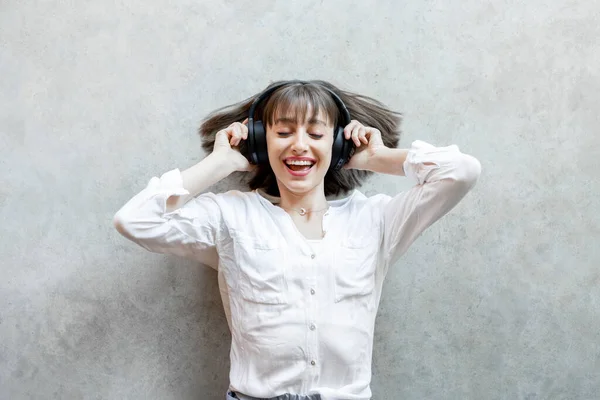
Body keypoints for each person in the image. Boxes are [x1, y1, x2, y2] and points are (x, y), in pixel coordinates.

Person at [113, 80, 481, 400]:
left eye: (317, 134)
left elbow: (462, 172)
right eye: (284, 132)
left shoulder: (377, 220)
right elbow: (135, 220)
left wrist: (378, 157)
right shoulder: (229, 216)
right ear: (260, 142)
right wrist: (222, 162)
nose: (299, 146)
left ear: (337, 145)